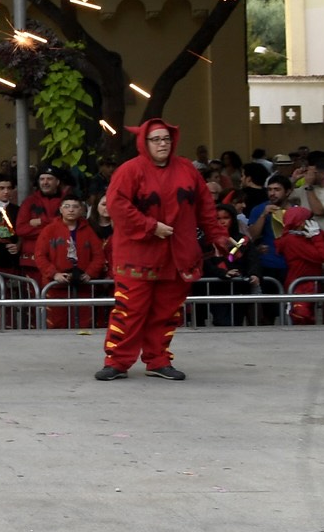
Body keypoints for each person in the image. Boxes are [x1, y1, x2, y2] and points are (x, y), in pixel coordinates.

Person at [99, 118, 232, 380]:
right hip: (137, 255)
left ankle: (158, 359)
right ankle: (117, 361)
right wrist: (150, 226)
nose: (162, 144)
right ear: (144, 143)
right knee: (129, 311)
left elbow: (204, 207)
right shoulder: (129, 170)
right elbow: (118, 206)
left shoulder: (187, 169)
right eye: (156, 139)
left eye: (166, 139)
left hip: (177, 255)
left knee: (166, 313)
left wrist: (219, 236)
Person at [36, 195, 106, 327]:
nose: (71, 210)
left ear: (81, 210)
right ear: (60, 209)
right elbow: (40, 256)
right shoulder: (49, 230)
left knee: (84, 324)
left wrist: (90, 273)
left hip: (83, 286)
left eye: (75, 207)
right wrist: (54, 274)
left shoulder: (89, 231)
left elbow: (98, 256)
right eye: (66, 206)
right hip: (55, 286)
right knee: (56, 324)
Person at [277, 206, 324, 325]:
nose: (311, 222)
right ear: (300, 222)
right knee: (301, 317)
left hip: (312, 285)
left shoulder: (307, 236)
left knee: (311, 319)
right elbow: (321, 256)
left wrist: (318, 232)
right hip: (300, 286)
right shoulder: (291, 240)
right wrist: (317, 237)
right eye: (308, 220)